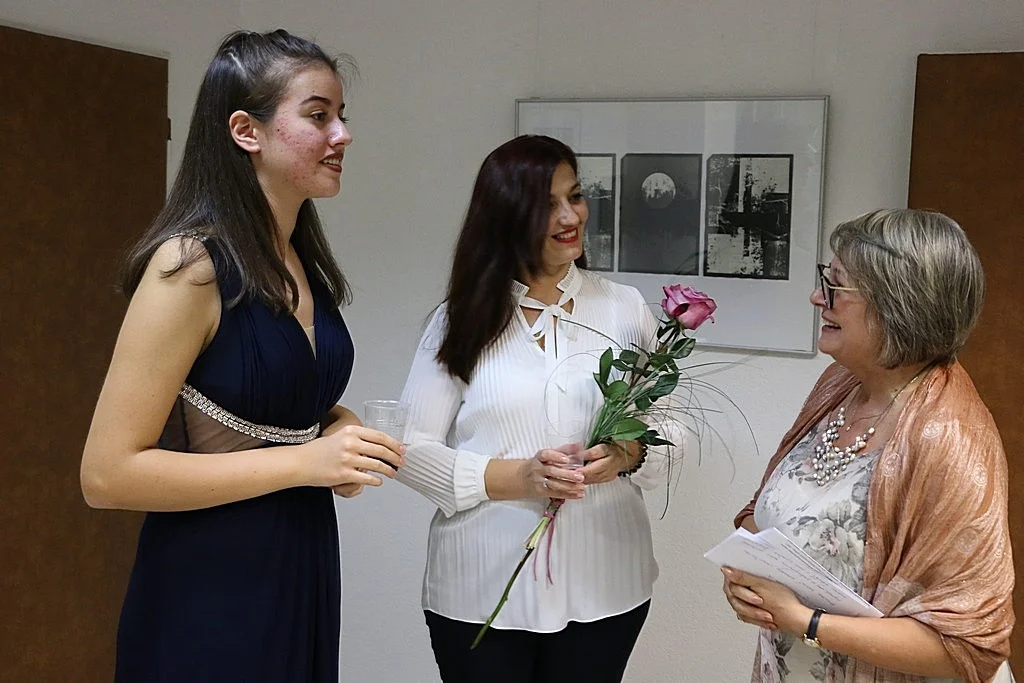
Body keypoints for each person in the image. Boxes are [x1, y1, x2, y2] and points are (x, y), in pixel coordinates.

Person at [79, 30, 404, 682]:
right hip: (210, 584)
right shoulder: (188, 266)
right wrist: (306, 461)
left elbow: (269, 403)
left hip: (302, 561)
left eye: (341, 116)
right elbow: (107, 475)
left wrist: (335, 426)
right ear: (245, 131)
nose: (342, 135)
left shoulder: (299, 261)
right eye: (318, 115)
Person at [396, 135, 684, 683]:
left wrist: (629, 453)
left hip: (606, 585)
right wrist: (518, 478)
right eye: (546, 204)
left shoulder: (623, 307)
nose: (570, 216)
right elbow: (410, 451)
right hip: (480, 591)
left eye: (574, 196)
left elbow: (673, 423)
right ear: (505, 215)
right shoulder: (459, 320)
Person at [723, 209, 1014, 683]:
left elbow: (968, 647)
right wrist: (751, 581)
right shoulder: (840, 383)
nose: (817, 297)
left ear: (898, 303)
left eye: (836, 285)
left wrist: (805, 622)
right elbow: (769, 514)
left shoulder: (950, 440)